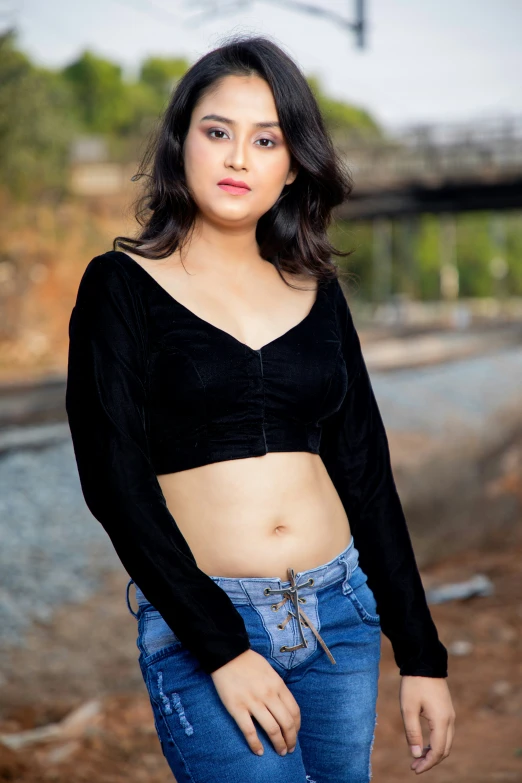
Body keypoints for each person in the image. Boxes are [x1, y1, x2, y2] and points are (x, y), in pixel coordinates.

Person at [65, 33, 455, 783]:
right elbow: (114, 481)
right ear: (182, 142)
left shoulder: (317, 290)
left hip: (340, 612)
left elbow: (367, 473)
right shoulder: (119, 285)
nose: (239, 157)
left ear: (292, 164)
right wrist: (223, 647)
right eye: (218, 132)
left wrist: (422, 654)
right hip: (204, 621)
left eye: (266, 139)